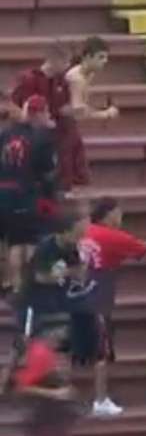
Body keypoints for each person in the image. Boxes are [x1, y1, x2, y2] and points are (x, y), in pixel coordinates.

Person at [74, 197, 146, 416]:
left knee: (82, 351)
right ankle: (100, 400)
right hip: (99, 299)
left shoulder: (87, 232)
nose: (121, 216)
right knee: (102, 353)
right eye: (118, 212)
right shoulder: (112, 237)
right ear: (108, 214)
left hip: (79, 297)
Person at [0, 95, 58, 294]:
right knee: (25, 241)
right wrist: (51, 195)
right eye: (46, 112)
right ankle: (27, 285)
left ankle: (9, 283)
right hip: (23, 193)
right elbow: (48, 172)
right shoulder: (41, 137)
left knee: (8, 240)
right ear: (38, 113)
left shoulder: (5, 133)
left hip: (2, 192)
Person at [9, 41, 78, 194]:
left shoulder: (62, 82)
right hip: (31, 137)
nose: (68, 66)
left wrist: (66, 110)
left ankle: (62, 185)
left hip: (53, 134)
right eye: (65, 61)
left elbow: (64, 105)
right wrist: (36, 121)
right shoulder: (29, 79)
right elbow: (16, 108)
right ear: (54, 59)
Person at [61, 36, 119, 191]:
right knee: (71, 174)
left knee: (80, 172)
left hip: (68, 125)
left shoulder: (87, 74)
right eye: (101, 57)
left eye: (106, 57)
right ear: (87, 57)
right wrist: (105, 114)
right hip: (62, 126)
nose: (105, 61)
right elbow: (77, 112)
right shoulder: (77, 78)